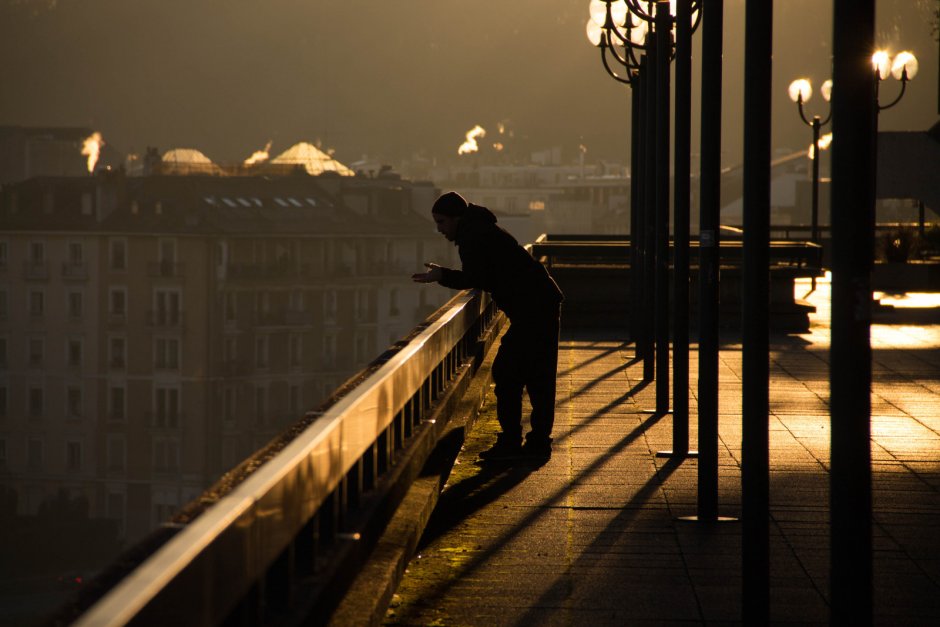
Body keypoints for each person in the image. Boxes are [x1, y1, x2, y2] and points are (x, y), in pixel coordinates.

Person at [412, 191, 563, 462]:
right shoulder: (481, 228)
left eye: (442, 222)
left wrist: (441, 275)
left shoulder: (473, 237)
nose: (440, 229)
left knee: (507, 373)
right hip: (539, 303)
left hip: (532, 309)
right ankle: (536, 442)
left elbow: (475, 277)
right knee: (537, 376)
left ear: (456, 218)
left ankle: (513, 443)